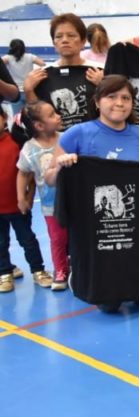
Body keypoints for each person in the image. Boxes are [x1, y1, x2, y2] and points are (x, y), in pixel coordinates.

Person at [44, 75, 139, 311]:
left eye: (126, 98)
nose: (119, 103)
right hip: (95, 224)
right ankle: (80, 274)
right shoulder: (77, 133)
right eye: (112, 96)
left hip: (134, 222)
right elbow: (49, 179)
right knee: (109, 306)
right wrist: (61, 165)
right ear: (97, 101)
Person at [16, 100, 66, 290]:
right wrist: (21, 197)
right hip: (50, 206)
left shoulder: (66, 138)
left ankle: (79, 267)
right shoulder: (29, 149)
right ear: (39, 125)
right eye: (52, 114)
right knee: (58, 239)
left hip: (74, 202)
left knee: (77, 237)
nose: (58, 116)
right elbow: (22, 173)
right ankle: (60, 270)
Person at [1, 107, 51, 293]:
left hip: (17, 207)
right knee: (1, 242)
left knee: (27, 240)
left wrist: (27, 197)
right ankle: (5, 273)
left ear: (4, 117)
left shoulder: (16, 142)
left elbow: (27, 173)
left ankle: (38, 271)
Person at [22, 14, 104, 129]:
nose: (65, 40)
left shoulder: (99, 71)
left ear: (83, 41)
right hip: (58, 143)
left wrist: (105, 86)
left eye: (71, 35)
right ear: (54, 43)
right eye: (59, 36)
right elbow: (36, 116)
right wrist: (29, 90)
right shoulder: (40, 76)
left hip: (93, 141)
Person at [2, 39, 44, 119]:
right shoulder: (30, 56)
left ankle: (19, 131)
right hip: (29, 90)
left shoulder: (8, 58)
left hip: (16, 93)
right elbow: (43, 64)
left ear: (11, 48)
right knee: (33, 117)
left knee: (17, 117)